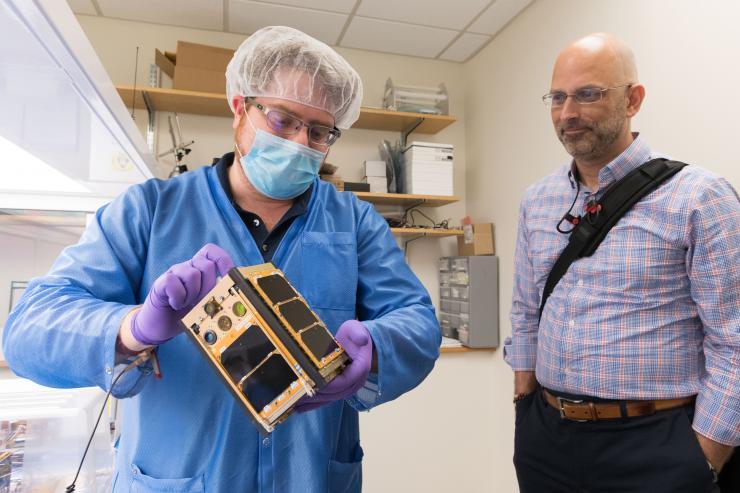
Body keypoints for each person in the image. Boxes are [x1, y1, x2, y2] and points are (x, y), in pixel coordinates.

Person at [2, 26, 441, 492]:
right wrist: (132, 329)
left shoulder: (354, 222)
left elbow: (417, 321)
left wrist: (374, 349)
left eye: (318, 132)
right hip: (178, 479)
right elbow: (29, 330)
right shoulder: (148, 211)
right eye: (282, 120)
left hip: (310, 478)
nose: (299, 141)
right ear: (239, 108)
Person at [504, 32, 739, 492]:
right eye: (558, 97)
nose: (568, 113)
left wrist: (703, 458)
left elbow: (734, 340)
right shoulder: (538, 199)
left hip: (656, 445)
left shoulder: (700, 197)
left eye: (588, 94)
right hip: (548, 438)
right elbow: (526, 310)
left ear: (633, 100)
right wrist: (524, 407)